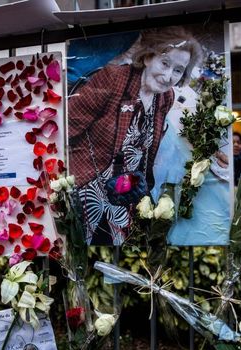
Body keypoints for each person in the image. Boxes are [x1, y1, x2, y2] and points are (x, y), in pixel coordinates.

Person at [68, 26, 203, 245]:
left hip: (124, 193)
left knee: (118, 255)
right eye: (165, 63)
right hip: (88, 186)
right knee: (84, 251)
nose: (168, 76)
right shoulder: (113, 79)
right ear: (148, 56)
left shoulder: (165, 97)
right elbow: (67, 130)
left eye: (178, 70)